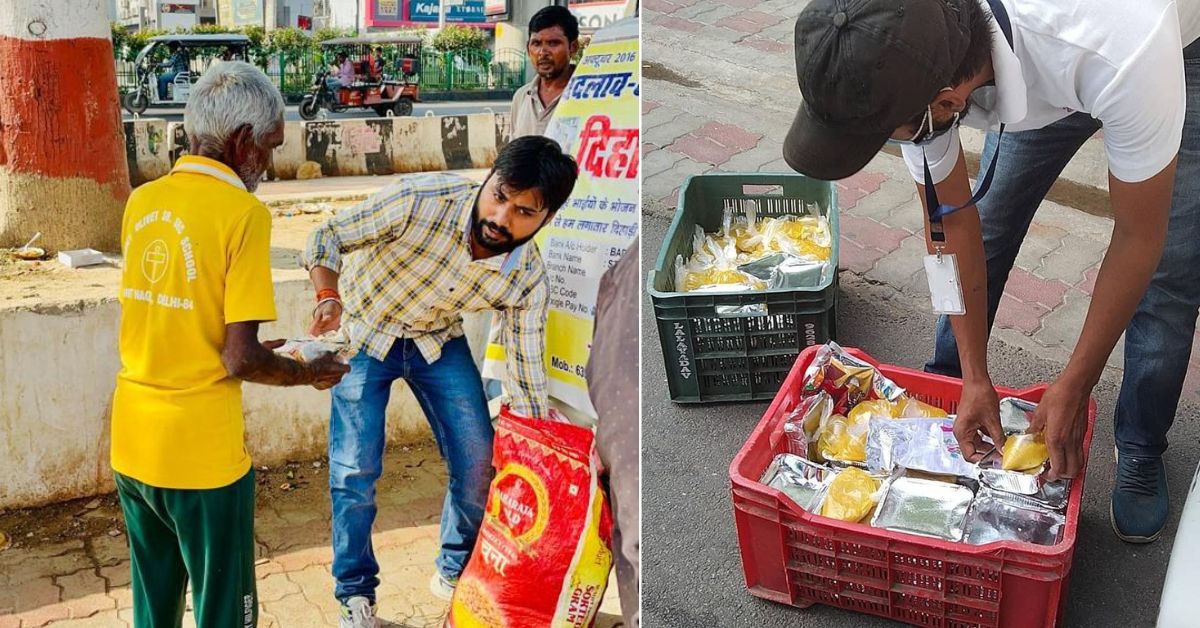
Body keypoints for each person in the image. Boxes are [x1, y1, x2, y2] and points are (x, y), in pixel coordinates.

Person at [784, 0, 1200, 543]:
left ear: (948, 100)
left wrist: (1074, 384)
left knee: (1171, 267)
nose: (895, 143)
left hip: (1172, 42)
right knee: (993, 214)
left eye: (889, 134)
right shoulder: (912, 40)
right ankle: (952, 387)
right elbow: (949, 224)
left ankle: (1142, 441)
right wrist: (974, 376)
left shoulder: (1125, 51)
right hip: (1035, 48)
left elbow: (1138, 238)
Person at [301, 136, 579, 628]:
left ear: (546, 219)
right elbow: (327, 236)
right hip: (364, 332)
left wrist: (542, 452)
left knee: (478, 461)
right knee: (354, 472)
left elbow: (526, 373)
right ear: (488, 178)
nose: (500, 217)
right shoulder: (419, 201)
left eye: (522, 211)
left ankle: (456, 569)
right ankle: (355, 595)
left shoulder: (527, 278)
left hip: (436, 342)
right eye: (498, 196)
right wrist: (328, 296)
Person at [111, 61, 349, 628]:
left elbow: (178, 320)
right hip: (201, 456)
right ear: (242, 141)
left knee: (154, 604)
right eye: (268, 147)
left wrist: (271, 351)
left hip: (133, 442)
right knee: (226, 611)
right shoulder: (243, 214)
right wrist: (305, 371)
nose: (267, 163)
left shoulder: (143, 201)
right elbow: (238, 358)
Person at [587, 239, 641, 628]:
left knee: (633, 530)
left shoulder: (626, 269)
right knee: (632, 530)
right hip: (619, 403)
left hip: (618, 405)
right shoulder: (627, 271)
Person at [510, 6, 580, 138]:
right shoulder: (522, 97)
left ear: (573, 47)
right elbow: (513, 154)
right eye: (536, 44)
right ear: (528, 48)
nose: (543, 53)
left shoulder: (588, 96)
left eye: (553, 43)